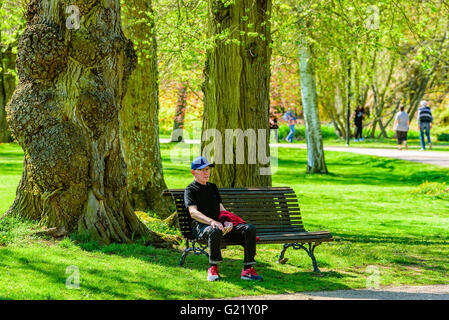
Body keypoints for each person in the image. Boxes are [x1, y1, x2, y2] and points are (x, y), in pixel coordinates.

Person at [184, 156, 263, 282]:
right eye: (202, 170)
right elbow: (193, 213)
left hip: (220, 225)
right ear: (193, 172)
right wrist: (211, 221)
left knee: (249, 229)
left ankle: (248, 269)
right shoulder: (190, 190)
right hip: (202, 226)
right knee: (214, 230)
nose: (206, 173)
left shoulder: (212, 187)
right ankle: (213, 267)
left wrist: (227, 221)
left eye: (208, 169)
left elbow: (222, 209)